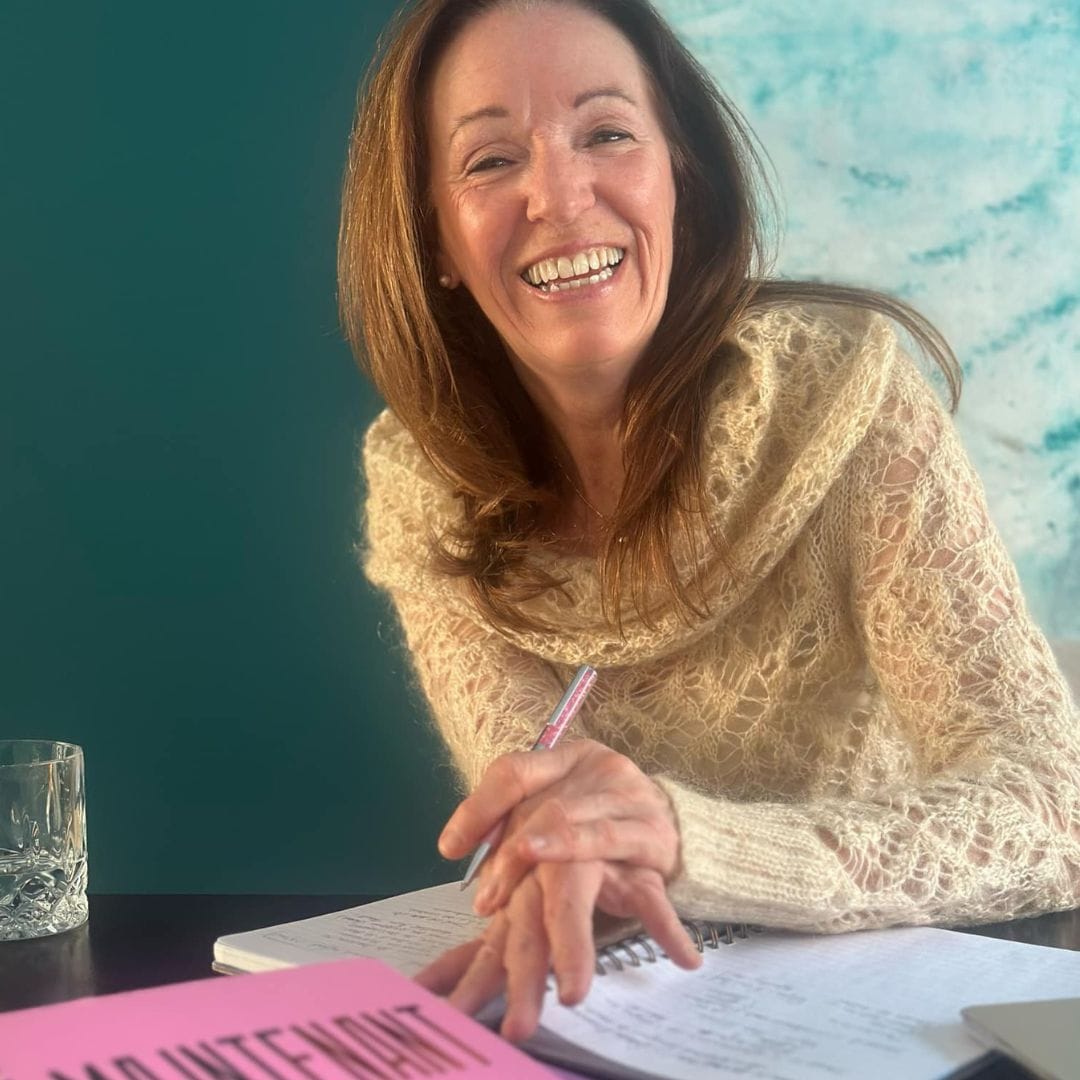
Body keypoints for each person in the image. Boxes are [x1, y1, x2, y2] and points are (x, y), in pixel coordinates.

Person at [340, 0, 1080, 1043]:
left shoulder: (851, 401)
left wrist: (688, 843)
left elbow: (1055, 808)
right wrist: (559, 854)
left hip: (893, 1020)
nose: (560, 196)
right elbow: (547, 824)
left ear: (678, 174)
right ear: (437, 240)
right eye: (491, 160)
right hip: (629, 1023)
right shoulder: (426, 485)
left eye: (607, 133)